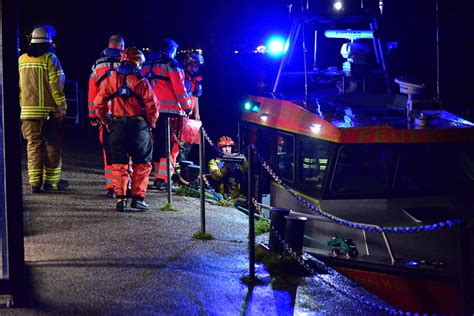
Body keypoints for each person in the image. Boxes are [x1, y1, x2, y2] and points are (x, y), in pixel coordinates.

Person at [94, 47, 159, 211]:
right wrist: (150, 124)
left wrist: (105, 120)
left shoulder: (111, 79)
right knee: (142, 163)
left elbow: (98, 103)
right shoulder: (142, 82)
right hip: (138, 126)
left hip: (116, 125)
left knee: (118, 163)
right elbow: (153, 107)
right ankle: (138, 198)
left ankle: (120, 200)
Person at [19, 25, 69, 193]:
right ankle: (51, 182)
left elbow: (18, 88)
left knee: (32, 147)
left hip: (27, 112)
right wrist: (62, 106)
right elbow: (57, 86)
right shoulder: (50, 59)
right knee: (52, 146)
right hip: (48, 113)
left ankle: (34, 183)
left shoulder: (21, 60)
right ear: (48, 43)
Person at [141, 38, 192, 190]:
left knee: (155, 144)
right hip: (171, 113)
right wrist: (187, 107)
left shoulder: (146, 64)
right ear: (171, 51)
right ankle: (163, 179)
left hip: (150, 112)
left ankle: (157, 176)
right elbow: (179, 88)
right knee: (171, 146)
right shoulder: (172, 64)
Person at [88, 34, 125, 198]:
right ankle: (123, 186)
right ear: (121, 46)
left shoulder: (97, 64)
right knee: (125, 151)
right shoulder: (126, 63)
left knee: (107, 150)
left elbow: (92, 92)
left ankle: (110, 186)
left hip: (104, 115)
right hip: (123, 113)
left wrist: (92, 116)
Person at [176, 52, 204, 162]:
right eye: (192, 66)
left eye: (196, 67)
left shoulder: (195, 80)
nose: (194, 69)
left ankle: (182, 168)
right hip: (180, 114)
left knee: (187, 144)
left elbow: (195, 96)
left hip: (189, 116)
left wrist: (197, 113)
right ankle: (175, 168)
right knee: (177, 143)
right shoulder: (181, 76)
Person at [208, 136, 248, 201]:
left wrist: (243, 161)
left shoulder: (238, 160)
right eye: (224, 147)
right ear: (220, 148)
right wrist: (226, 167)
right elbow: (215, 175)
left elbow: (246, 170)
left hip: (237, 197)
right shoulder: (214, 162)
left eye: (229, 147)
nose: (227, 149)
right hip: (220, 198)